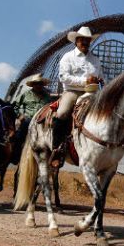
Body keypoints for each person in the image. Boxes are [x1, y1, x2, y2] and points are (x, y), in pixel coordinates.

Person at [50, 26, 104, 168]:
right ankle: (56, 148)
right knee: (62, 112)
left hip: (92, 93)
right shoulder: (68, 57)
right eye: (82, 40)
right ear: (76, 41)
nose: (85, 42)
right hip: (72, 92)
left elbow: (101, 77)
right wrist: (84, 81)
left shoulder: (95, 60)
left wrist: (98, 80)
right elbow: (63, 77)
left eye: (87, 40)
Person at [14, 74, 53, 147]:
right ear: (33, 85)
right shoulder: (26, 94)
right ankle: (16, 153)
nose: (38, 86)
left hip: (42, 121)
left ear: (42, 85)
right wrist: (19, 115)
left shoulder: (47, 97)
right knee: (19, 137)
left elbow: (51, 108)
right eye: (36, 84)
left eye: (40, 84)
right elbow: (14, 106)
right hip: (28, 120)